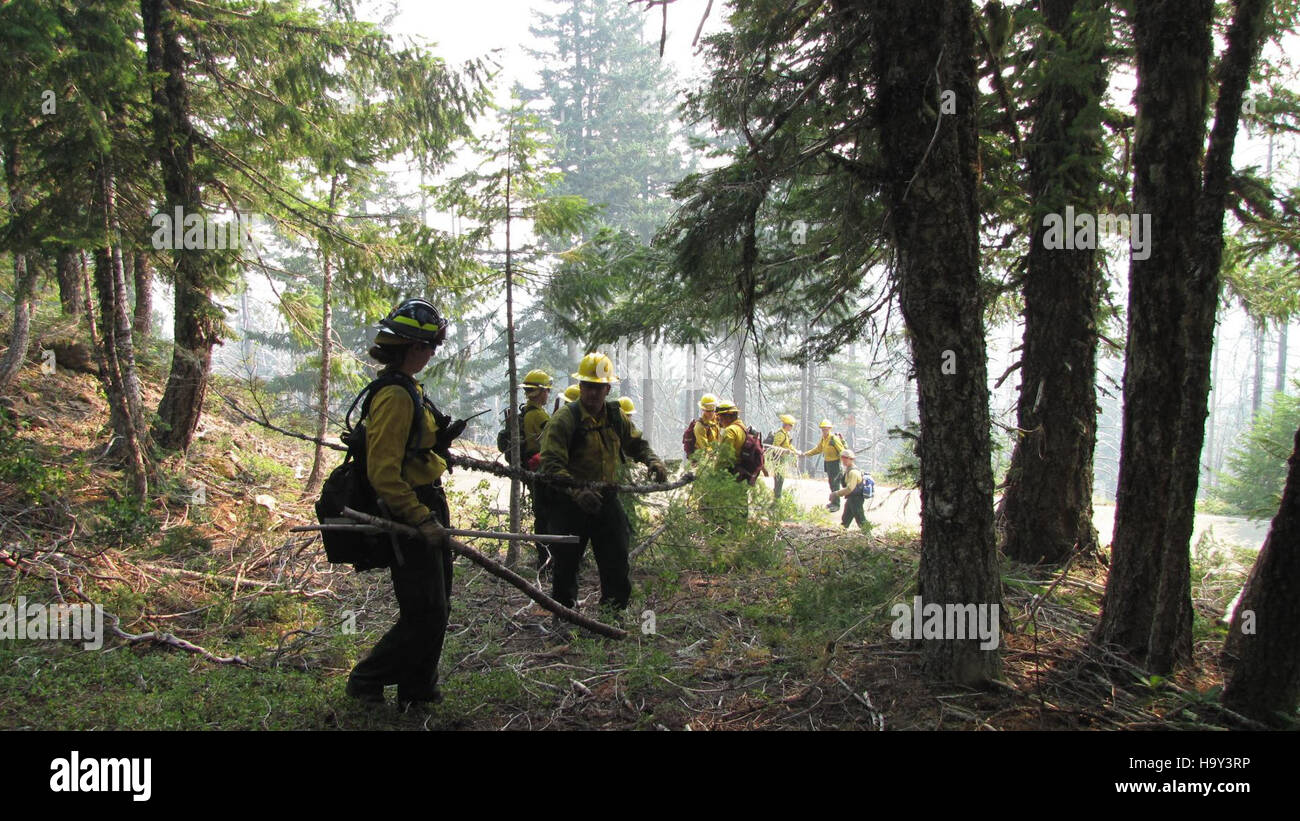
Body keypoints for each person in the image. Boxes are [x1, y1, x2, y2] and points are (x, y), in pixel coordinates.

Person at [346, 298, 455, 711]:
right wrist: (419, 518)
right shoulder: (395, 395)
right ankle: (366, 680)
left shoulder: (409, 389)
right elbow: (384, 473)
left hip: (425, 503)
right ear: (412, 347)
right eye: (430, 347)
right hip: (408, 511)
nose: (431, 355)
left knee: (438, 604)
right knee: (425, 610)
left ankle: (417, 690)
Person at [539, 352, 668, 617]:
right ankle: (565, 619)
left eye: (599, 387)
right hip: (569, 505)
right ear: (581, 387)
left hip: (606, 501)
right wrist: (576, 491)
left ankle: (613, 616)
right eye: (588, 386)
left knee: (616, 561)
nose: (593, 393)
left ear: (608, 388)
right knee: (566, 565)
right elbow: (550, 465)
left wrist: (653, 461)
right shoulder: (565, 420)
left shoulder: (614, 415)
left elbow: (636, 443)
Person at [520, 369, 553, 570]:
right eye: (546, 390)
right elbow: (554, 438)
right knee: (545, 514)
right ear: (539, 392)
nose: (548, 394)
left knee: (542, 513)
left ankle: (546, 557)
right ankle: (547, 559)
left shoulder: (527, 412)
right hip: (540, 469)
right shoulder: (538, 415)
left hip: (534, 467)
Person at [803, 419, 848, 511]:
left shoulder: (833, 438)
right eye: (823, 429)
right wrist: (806, 454)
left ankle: (836, 505)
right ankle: (833, 502)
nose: (824, 431)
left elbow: (842, 451)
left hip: (835, 464)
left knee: (835, 484)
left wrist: (845, 462)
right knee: (831, 483)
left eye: (826, 429)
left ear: (830, 429)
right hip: (828, 464)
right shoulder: (823, 439)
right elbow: (818, 449)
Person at [828, 449, 873, 530]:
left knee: (861, 519)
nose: (843, 459)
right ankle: (841, 533)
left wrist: (836, 494)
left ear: (851, 459)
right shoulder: (848, 470)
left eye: (846, 457)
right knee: (846, 518)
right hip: (851, 498)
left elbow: (850, 489)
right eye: (842, 457)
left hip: (856, 499)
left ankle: (869, 536)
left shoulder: (853, 472)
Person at [770, 414, 798, 500]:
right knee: (779, 479)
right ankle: (777, 498)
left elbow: (788, 446)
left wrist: (796, 452)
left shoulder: (786, 434)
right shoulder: (780, 434)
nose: (792, 427)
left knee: (781, 479)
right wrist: (784, 451)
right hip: (778, 459)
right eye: (791, 425)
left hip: (782, 459)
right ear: (786, 425)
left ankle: (777, 497)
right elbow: (775, 447)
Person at [685, 393, 721, 458]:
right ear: (703, 410)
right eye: (707, 411)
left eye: (712, 410)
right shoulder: (699, 427)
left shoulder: (717, 421)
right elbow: (705, 448)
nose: (710, 413)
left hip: (714, 456)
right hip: (702, 460)